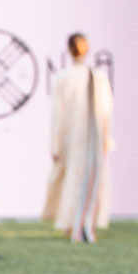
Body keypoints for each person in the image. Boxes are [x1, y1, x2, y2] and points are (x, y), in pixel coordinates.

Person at [42, 32, 115, 243]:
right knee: (82, 178)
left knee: (80, 179)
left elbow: (104, 109)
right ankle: (80, 224)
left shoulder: (90, 77)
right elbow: (105, 111)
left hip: (83, 137)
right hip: (83, 137)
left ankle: (79, 223)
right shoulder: (74, 78)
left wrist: (56, 144)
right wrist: (106, 138)